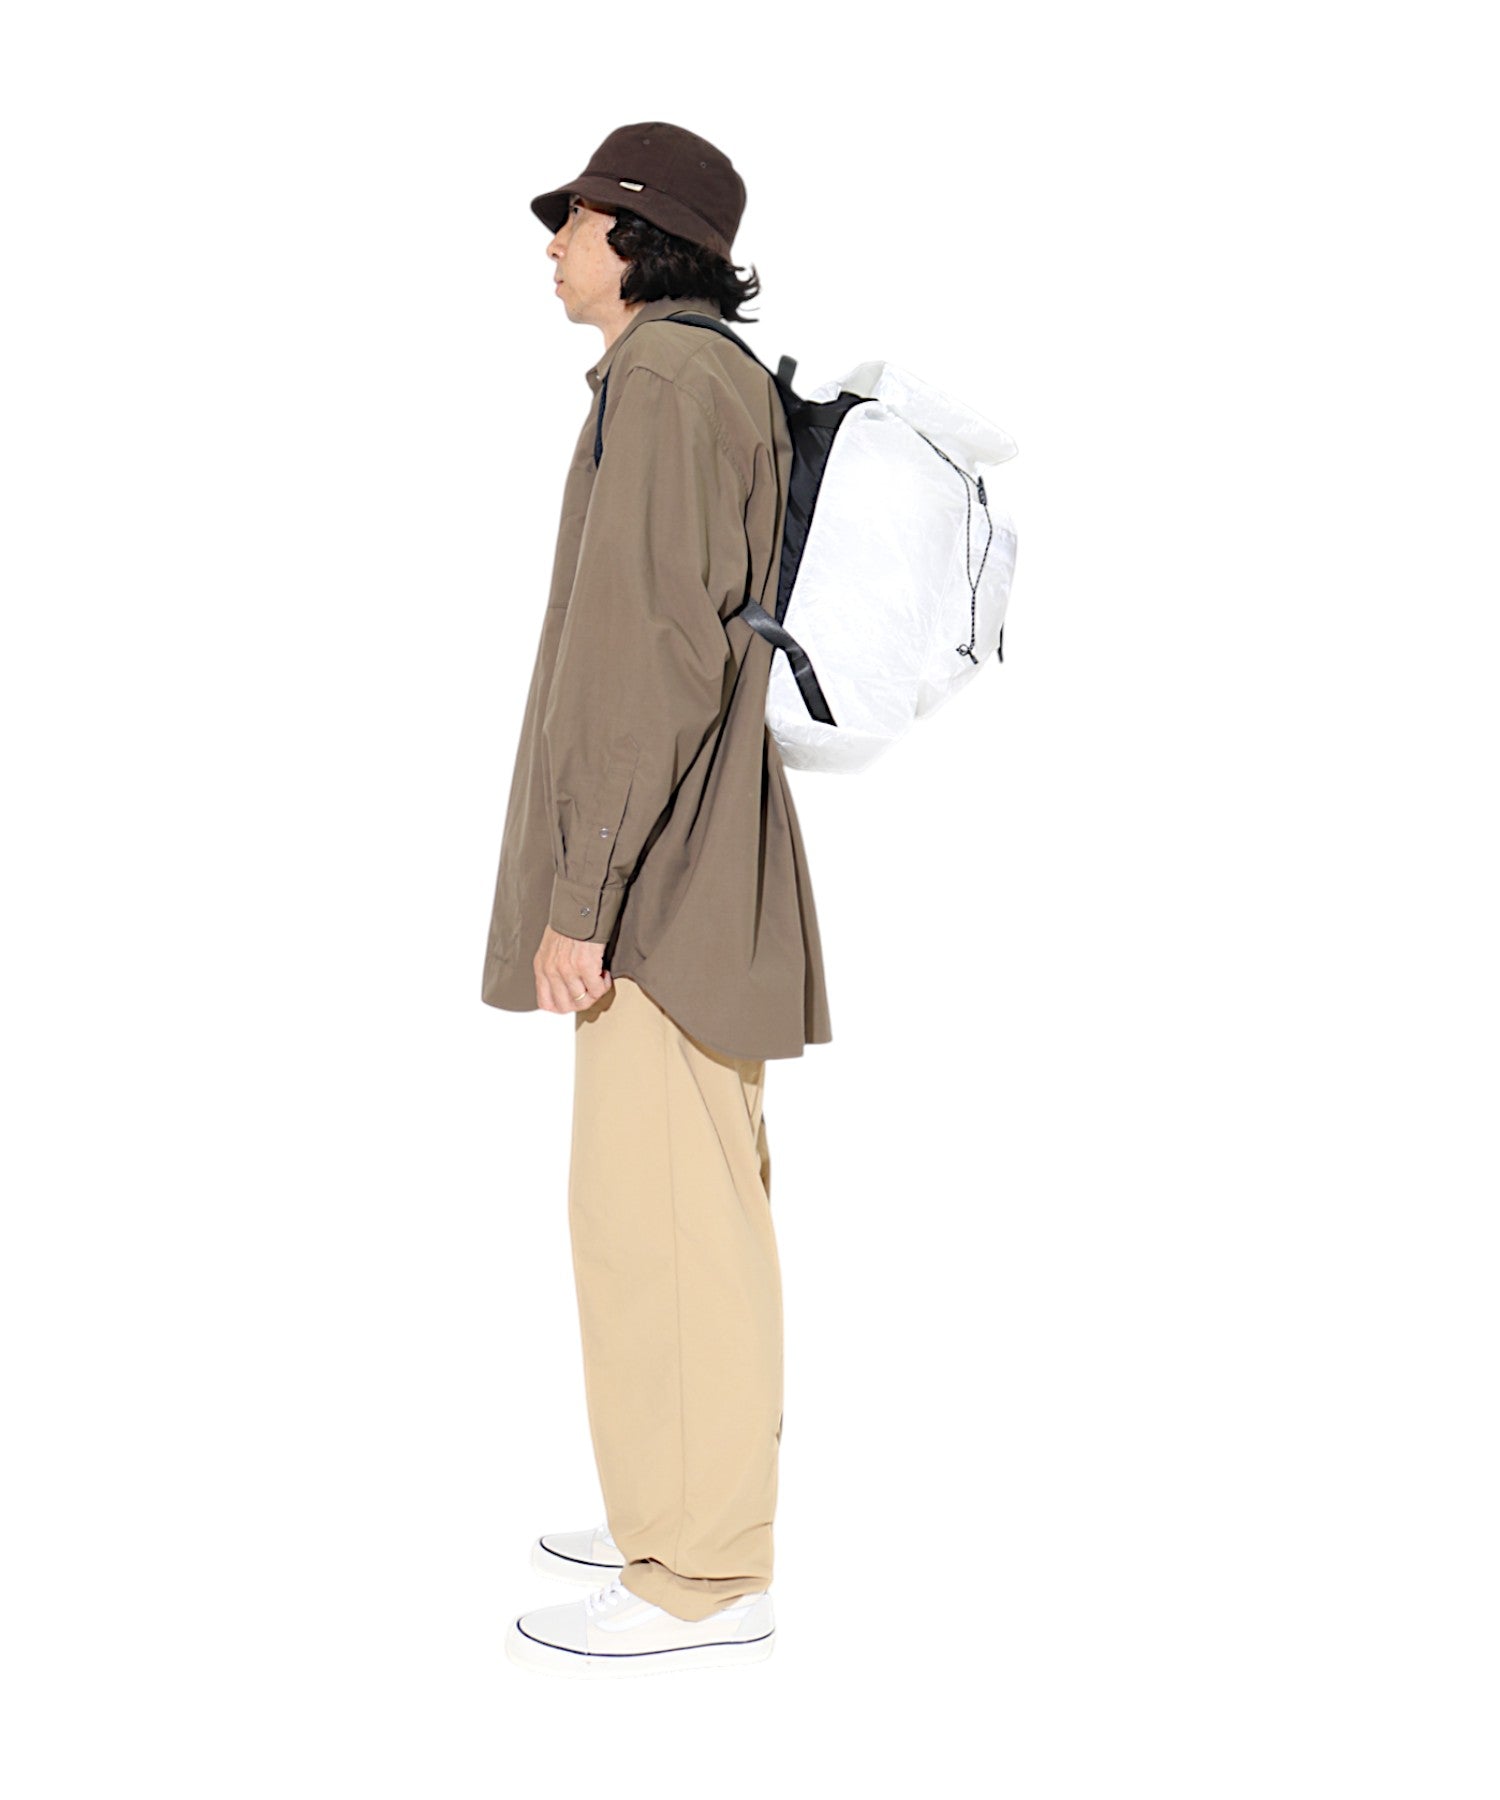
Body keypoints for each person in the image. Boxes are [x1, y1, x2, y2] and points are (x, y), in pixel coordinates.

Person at [480, 122, 832, 1677]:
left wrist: (584, 895)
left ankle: (701, 1570)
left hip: (662, 887)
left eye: (573, 220)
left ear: (638, 235)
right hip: (699, 861)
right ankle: (674, 1504)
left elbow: (651, 664)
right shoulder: (695, 376)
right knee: (679, 1215)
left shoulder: (669, 383)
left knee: (666, 1231)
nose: (553, 244)